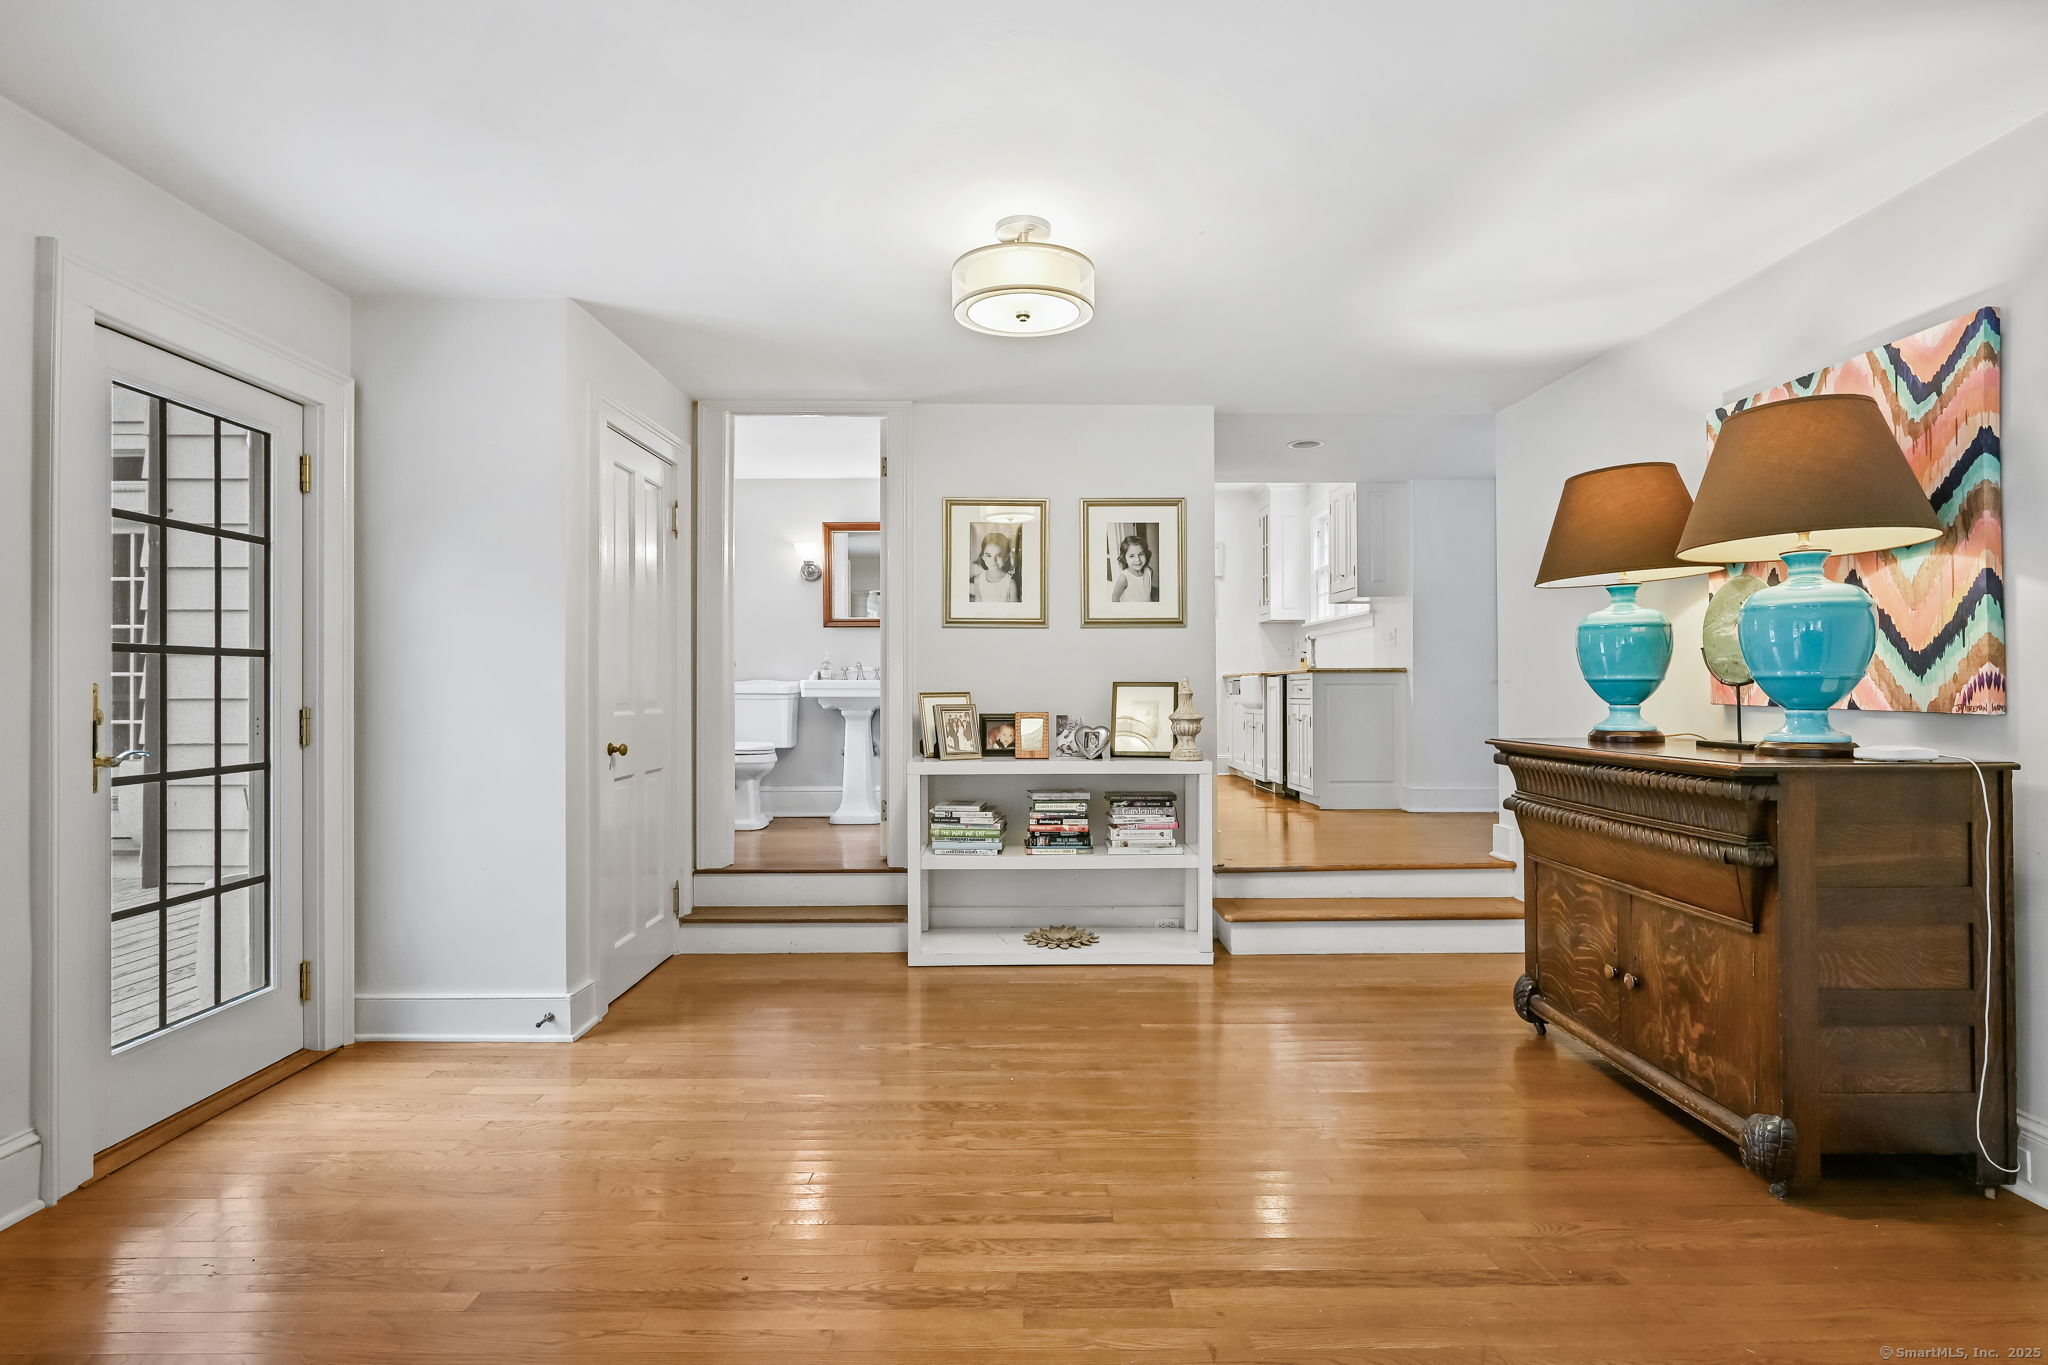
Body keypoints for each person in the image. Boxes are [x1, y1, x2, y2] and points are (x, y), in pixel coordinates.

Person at [968, 530, 1019, 603]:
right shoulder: (978, 580)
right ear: (983, 556)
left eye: (999, 555)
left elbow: (1014, 612)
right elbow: (978, 606)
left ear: (1006, 557)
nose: (993, 560)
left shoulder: (1010, 584)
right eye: (988, 555)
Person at [1108, 532, 1158, 603]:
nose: (1138, 560)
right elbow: (1115, 597)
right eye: (1131, 556)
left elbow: (1146, 592)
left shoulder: (1149, 571)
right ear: (1124, 558)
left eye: (1141, 554)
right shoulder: (1124, 578)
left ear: (1146, 554)